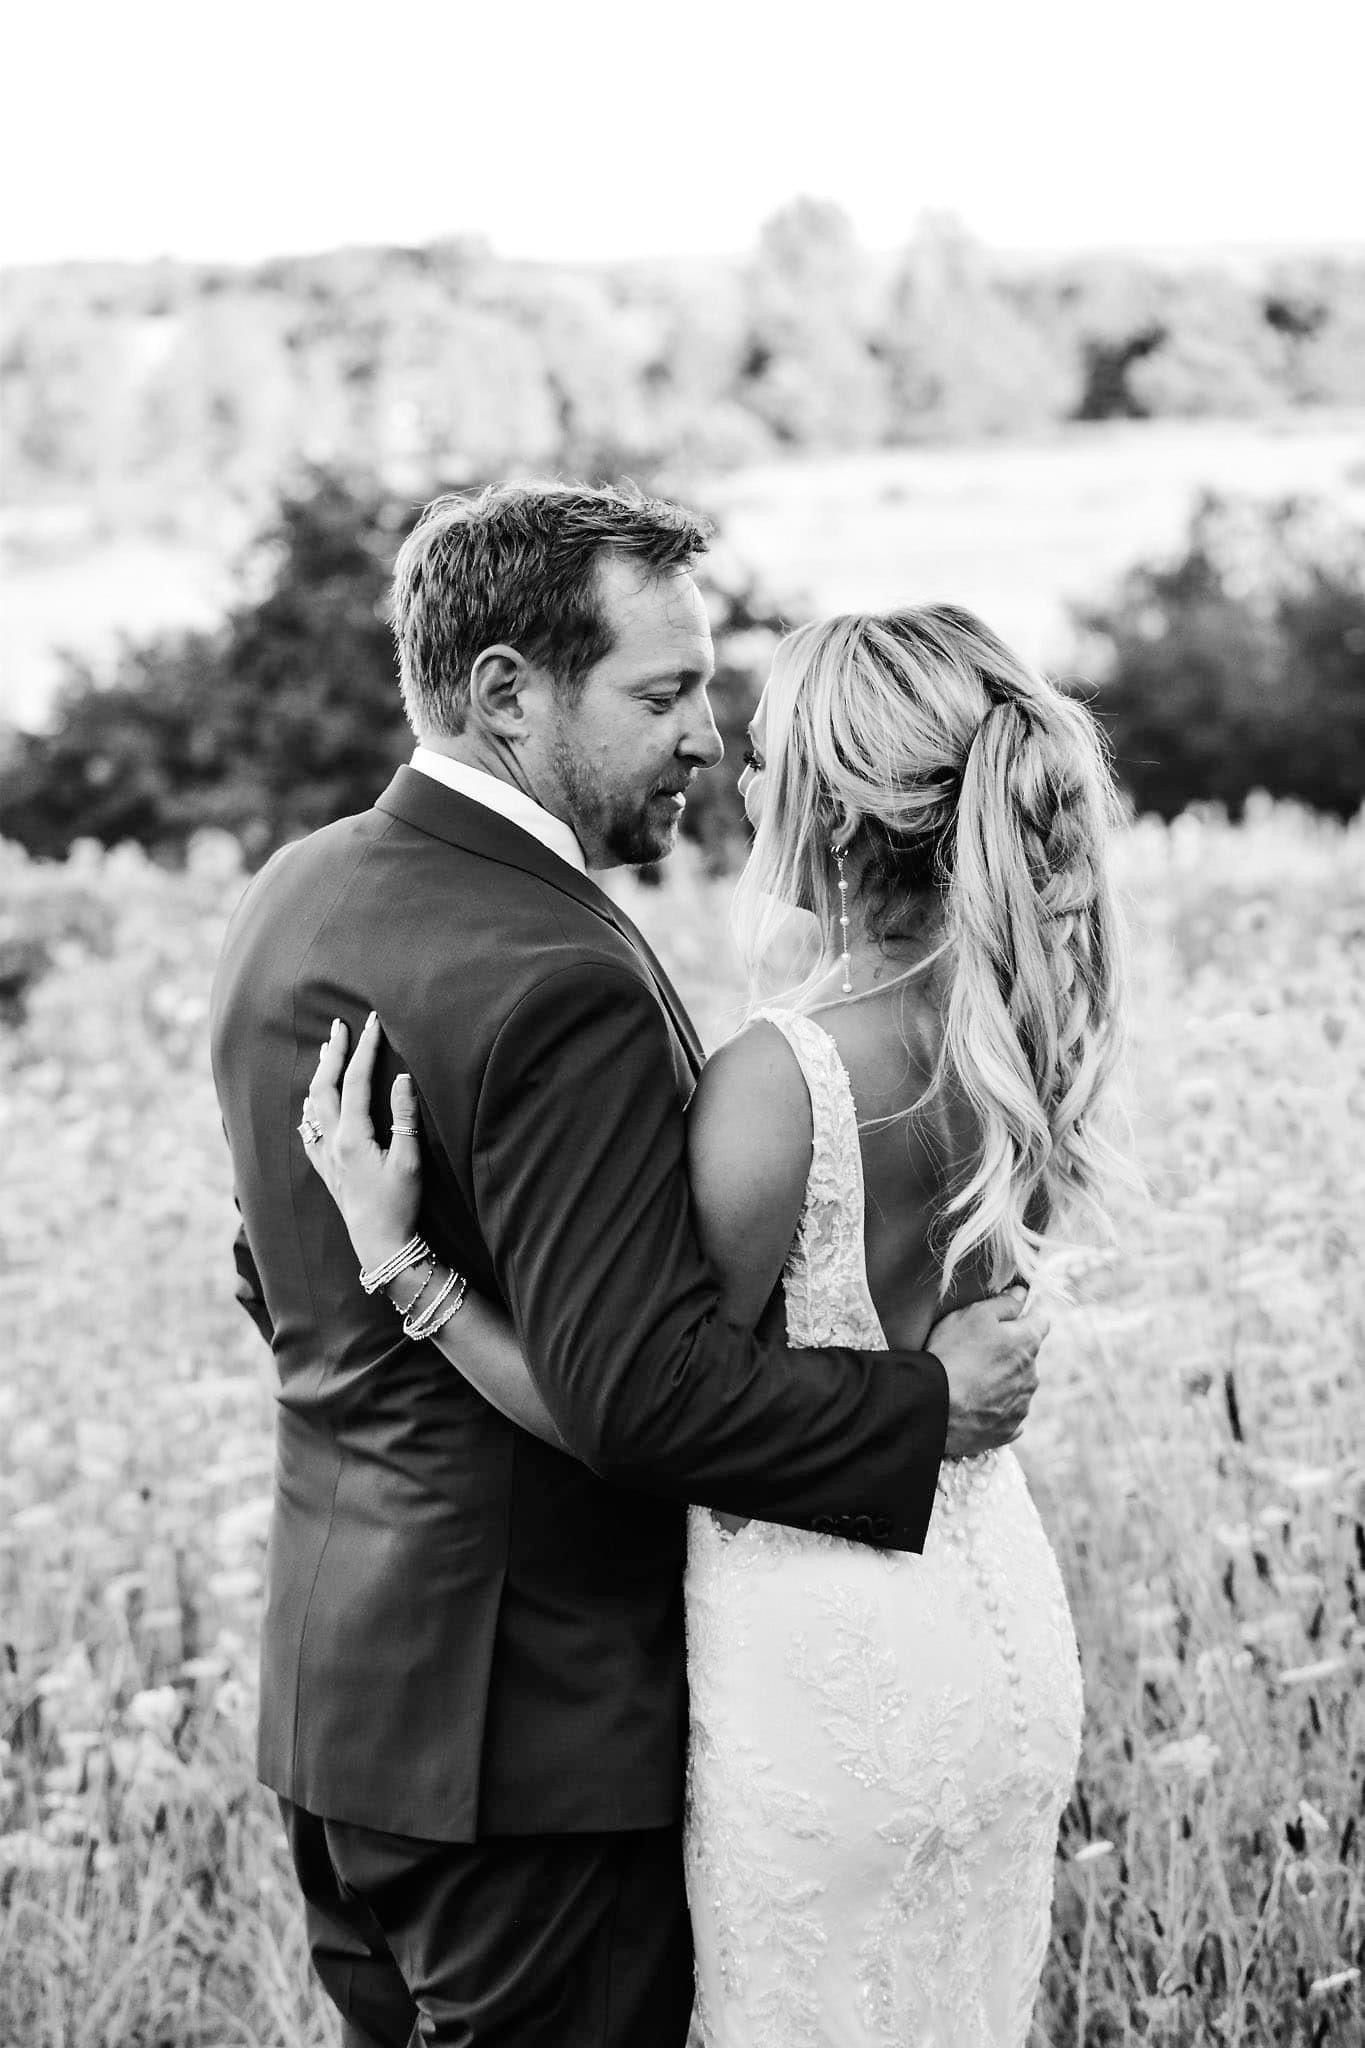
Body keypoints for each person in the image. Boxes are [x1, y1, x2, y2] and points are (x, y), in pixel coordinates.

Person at [210, 482, 1047, 2048]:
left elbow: (270, 1270)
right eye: (661, 694)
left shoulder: (296, 891)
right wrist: (925, 1408)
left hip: (344, 1702)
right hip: (533, 1747)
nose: (705, 742)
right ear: (506, 693)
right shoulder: (559, 972)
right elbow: (640, 1398)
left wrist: (393, 1271)